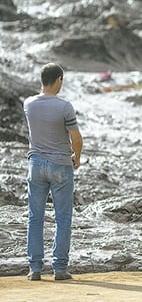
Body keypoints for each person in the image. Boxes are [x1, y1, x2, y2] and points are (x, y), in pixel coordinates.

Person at [23, 63, 83, 281]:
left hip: (36, 165)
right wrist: (77, 156)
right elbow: (76, 138)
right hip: (60, 165)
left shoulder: (28, 104)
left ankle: (35, 269)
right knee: (63, 218)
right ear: (58, 79)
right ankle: (59, 269)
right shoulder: (64, 106)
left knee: (35, 218)